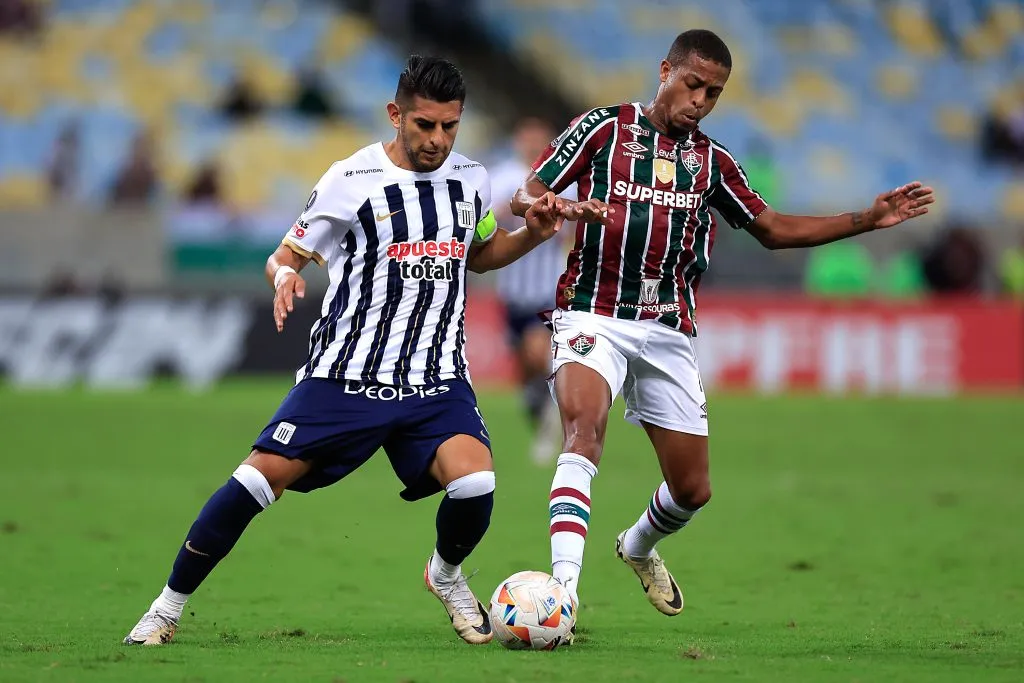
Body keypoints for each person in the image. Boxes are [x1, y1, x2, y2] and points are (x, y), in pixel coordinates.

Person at [123, 55, 565, 647]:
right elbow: (285, 254)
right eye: (425, 125)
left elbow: (479, 252)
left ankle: (447, 575)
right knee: (256, 482)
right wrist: (284, 277)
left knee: (476, 483)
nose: (437, 139)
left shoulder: (472, 178)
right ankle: (165, 609)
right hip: (344, 376)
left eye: (449, 126)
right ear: (395, 114)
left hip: (436, 379)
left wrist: (533, 235)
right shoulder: (348, 180)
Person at [511, 29, 935, 627]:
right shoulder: (602, 128)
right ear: (665, 71)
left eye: (713, 93)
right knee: (583, 431)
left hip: (667, 328)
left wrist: (866, 218)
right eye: (692, 84)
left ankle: (636, 546)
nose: (700, 101)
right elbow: (525, 193)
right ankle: (563, 595)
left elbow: (772, 228)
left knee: (692, 491)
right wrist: (548, 207)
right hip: (591, 311)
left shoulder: (711, 163)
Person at [489, 118, 576, 465]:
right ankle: (542, 415)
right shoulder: (505, 178)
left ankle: (554, 424)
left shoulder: (560, 181)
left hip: (547, 289)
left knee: (538, 353)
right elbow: (488, 219)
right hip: (512, 288)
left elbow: (570, 233)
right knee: (525, 369)